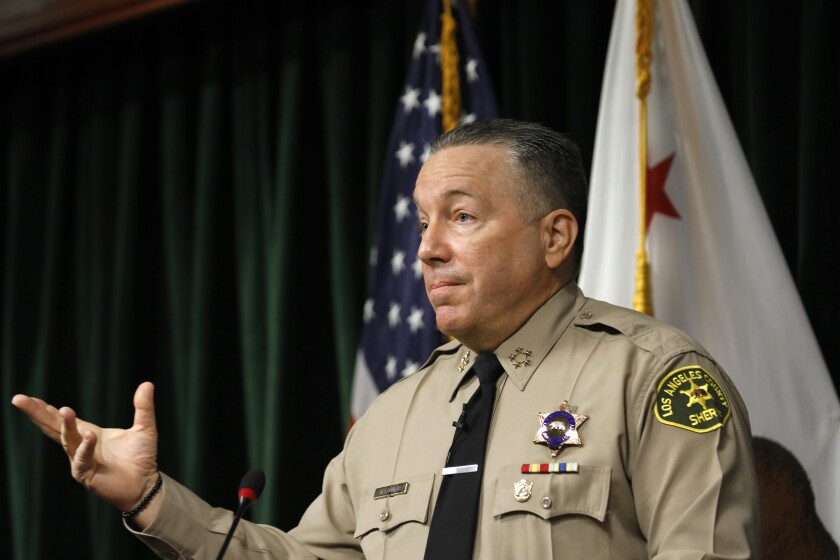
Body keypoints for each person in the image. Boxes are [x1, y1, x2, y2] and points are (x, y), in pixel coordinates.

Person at [12, 119, 760, 558]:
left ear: (555, 236)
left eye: (461, 217)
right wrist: (150, 498)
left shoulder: (655, 378)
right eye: (422, 220)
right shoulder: (399, 414)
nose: (428, 248)